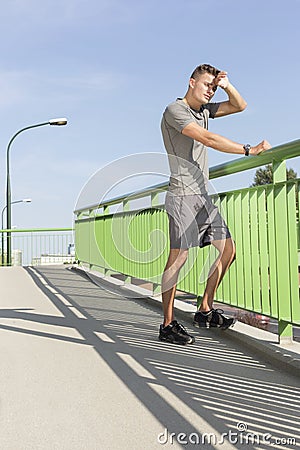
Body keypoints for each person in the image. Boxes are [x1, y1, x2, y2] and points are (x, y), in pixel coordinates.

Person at [159, 63, 271, 345]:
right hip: (183, 195)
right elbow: (207, 138)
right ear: (191, 82)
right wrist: (249, 150)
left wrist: (226, 84)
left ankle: (205, 309)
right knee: (179, 258)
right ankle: (168, 324)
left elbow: (240, 105)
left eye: (213, 86)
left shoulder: (205, 111)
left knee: (228, 251)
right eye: (207, 84)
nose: (210, 90)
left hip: (203, 197)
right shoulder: (176, 111)